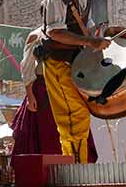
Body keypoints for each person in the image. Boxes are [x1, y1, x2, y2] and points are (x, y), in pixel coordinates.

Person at [39, 0, 126, 163]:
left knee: (78, 115)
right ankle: (76, 169)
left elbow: (87, 29)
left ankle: (77, 166)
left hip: (74, 64)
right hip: (57, 62)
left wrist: (107, 33)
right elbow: (55, 32)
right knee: (73, 116)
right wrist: (91, 40)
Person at [9, 26, 97, 170]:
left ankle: (75, 170)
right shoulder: (36, 35)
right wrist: (30, 94)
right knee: (45, 140)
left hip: (68, 88)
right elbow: (27, 66)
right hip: (43, 92)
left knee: (74, 132)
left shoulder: (70, 33)